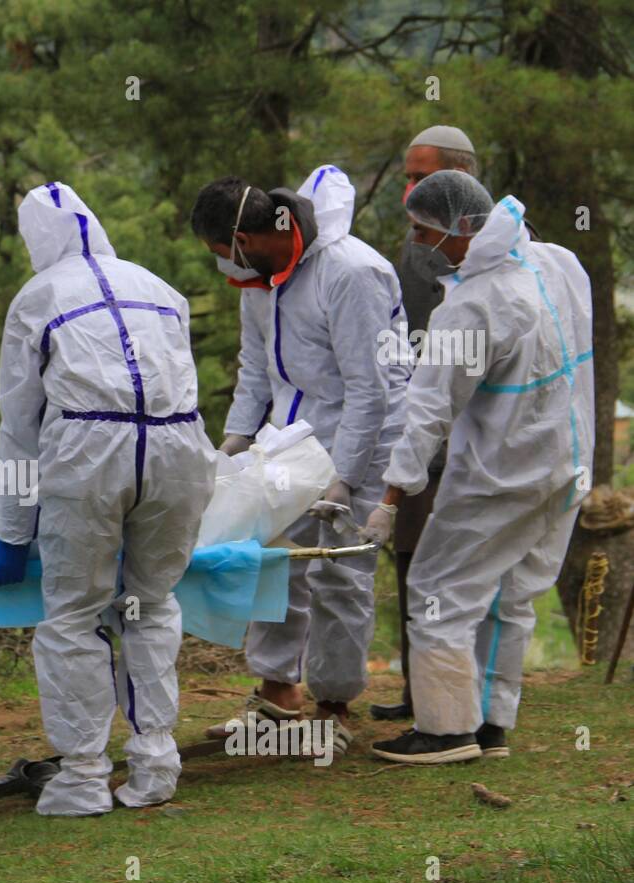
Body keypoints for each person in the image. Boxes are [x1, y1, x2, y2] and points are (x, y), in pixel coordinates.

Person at [0, 182, 215, 816]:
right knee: (150, 604)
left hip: (88, 451)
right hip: (179, 447)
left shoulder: (37, 298)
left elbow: (19, 424)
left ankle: (84, 777)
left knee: (72, 615)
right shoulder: (160, 288)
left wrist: (13, 530)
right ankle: (155, 765)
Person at [365, 171, 594, 763]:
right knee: (510, 595)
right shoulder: (554, 265)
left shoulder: (469, 307)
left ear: (461, 228)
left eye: (423, 229)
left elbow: (428, 408)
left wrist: (391, 497)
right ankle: (492, 724)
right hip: (565, 462)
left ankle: (445, 731)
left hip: (501, 473)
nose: (416, 240)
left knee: (439, 589)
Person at [191, 165, 408, 758]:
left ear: (246, 239)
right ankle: (276, 697)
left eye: (221, 252)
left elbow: (370, 389)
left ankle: (333, 706)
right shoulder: (260, 280)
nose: (223, 265)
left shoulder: (351, 273)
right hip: (289, 440)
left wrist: (345, 477)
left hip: (362, 437)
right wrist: (232, 446)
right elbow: (255, 371)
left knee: (340, 572)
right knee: (274, 560)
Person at [372, 125, 479, 722]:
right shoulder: (415, 251)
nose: (409, 188)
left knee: (458, 578)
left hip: (474, 442)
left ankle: (463, 706)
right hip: (423, 442)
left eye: (420, 177)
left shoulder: (493, 248)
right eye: (406, 177)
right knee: (415, 568)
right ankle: (421, 694)